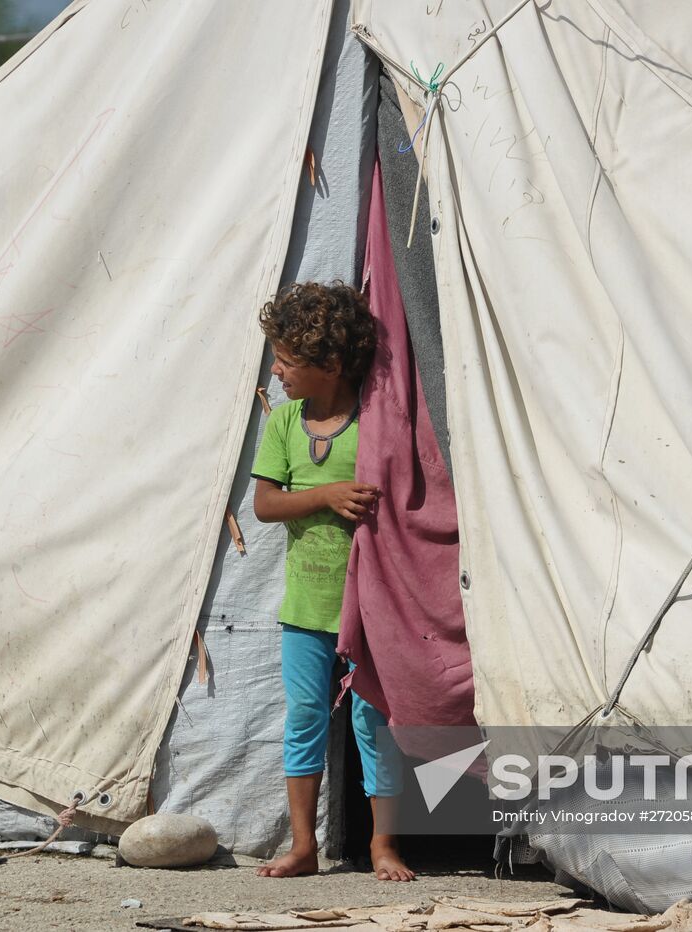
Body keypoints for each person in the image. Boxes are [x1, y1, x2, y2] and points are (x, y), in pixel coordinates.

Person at [249, 281, 414, 882]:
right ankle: (303, 845)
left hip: (369, 610)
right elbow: (265, 505)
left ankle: (382, 845)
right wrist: (324, 495)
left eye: (288, 361)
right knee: (306, 720)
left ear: (333, 365)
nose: (278, 369)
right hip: (306, 610)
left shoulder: (374, 425)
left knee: (375, 725)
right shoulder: (286, 422)